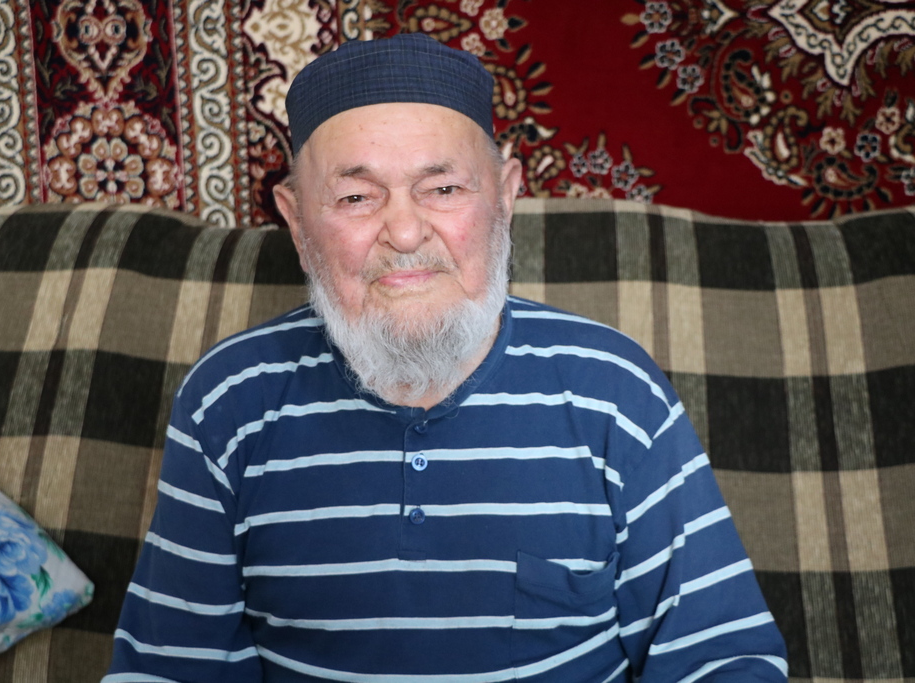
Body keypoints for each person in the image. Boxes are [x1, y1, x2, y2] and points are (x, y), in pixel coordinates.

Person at [104, 33, 788, 682]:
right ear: (297, 218)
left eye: (444, 189)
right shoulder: (226, 401)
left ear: (506, 195)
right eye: (355, 197)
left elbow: (722, 659)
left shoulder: (616, 392)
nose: (405, 232)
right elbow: (171, 667)